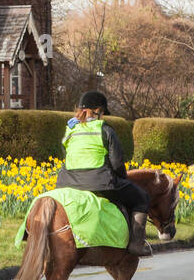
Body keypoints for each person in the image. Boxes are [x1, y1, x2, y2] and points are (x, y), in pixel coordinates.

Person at [56, 91, 150, 256]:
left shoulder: (70, 130)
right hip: (99, 183)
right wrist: (123, 178)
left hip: (66, 184)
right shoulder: (105, 129)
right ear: (98, 110)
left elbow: (66, 155)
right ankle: (136, 244)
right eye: (102, 113)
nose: (102, 116)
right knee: (141, 197)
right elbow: (116, 163)